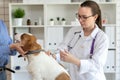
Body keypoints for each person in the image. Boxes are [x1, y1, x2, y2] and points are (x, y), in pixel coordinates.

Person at [49, 1, 109, 80]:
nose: (80, 20)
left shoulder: (102, 38)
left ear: (95, 17)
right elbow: (61, 50)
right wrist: (53, 56)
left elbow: (96, 65)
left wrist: (75, 61)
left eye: (84, 17)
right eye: (79, 16)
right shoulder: (73, 31)